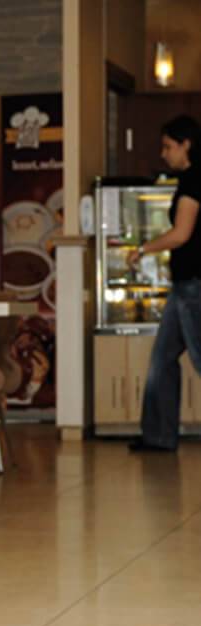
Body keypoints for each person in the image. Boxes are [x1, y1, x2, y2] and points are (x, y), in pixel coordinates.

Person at [128, 114, 201, 451]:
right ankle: (158, 436)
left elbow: (181, 234)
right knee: (162, 358)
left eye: (168, 146)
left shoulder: (194, 181)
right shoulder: (191, 179)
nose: (163, 153)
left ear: (187, 145)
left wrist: (143, 249)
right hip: (185, 286)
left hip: (193, 286)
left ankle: (158, 435)